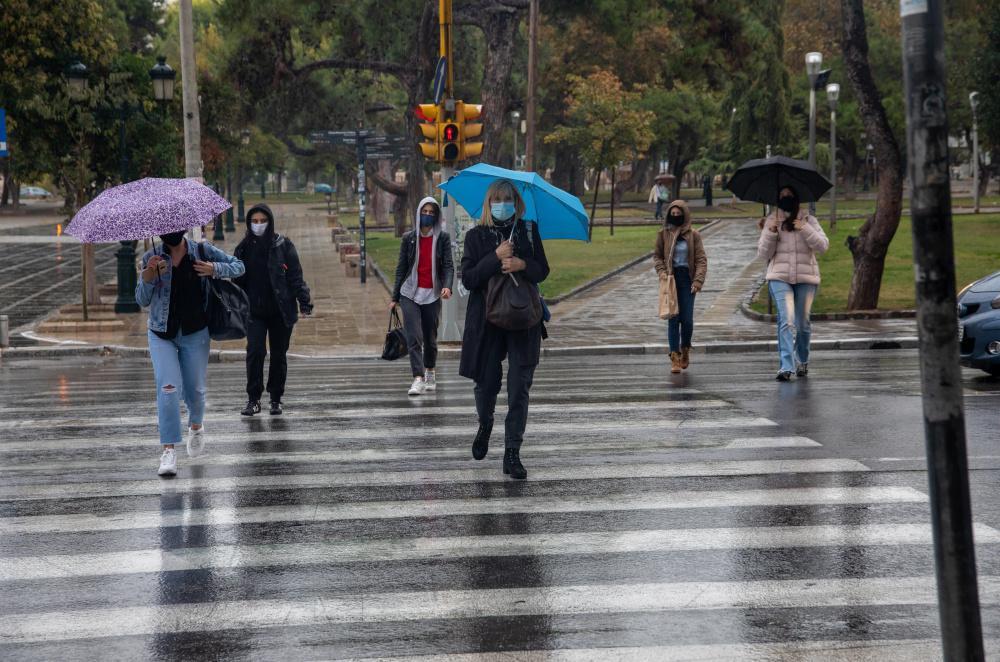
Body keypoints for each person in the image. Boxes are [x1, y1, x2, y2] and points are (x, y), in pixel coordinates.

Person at [459, 180, 549, 480]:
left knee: (519, 387)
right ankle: (485, 423)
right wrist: (495, 257)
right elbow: (469, 278)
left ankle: (512, 452)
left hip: (524, 320)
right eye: (497, 199)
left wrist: (522, 262)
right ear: (488, 203)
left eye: (508, 199)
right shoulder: (475, 236)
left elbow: (542, 271)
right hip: (487, 322)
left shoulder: (527, 231)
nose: (503, 204)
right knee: (486, 384)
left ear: (516, 202)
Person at [136, 230, 245, 476]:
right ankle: (168, 450)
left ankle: (196, 425)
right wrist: (149, 276)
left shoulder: (202, 251)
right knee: (168, 387)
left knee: (195, 389)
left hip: (196, 332)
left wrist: (213, 269)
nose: (169, 233)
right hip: (161, 333)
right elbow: (142, 300)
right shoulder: (151, 257)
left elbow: (239, 267)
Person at [234, 204, 313, 416]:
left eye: (262, 221)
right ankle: (253, 399)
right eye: (254, 221)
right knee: (255, 352)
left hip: (281, 311)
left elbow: (296, 277)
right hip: (254, 312)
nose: (258, 225)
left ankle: (276, 398)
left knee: (278, 355)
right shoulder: (243, 249)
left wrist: (304, 302)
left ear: (270, 222)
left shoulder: (284, 245)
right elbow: (236, 281)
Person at [757, 186, 830, 381]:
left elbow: (823, 246)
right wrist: (771, 233)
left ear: (796, 197)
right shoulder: (772, 221)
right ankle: (786, 366)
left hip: (806, 279)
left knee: (802, 324)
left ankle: (802, 361)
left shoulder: (809, 220)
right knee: (787, 320)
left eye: (789, 195)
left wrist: (804, 228)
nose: (785, 198)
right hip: (779, 278)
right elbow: (763, 254)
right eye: (781, 195)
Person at [390, 196, 454, 396]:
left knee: (430, 338)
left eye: (431, 212)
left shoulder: (442, 238)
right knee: (414, 336)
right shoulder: (409, 238)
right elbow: (401, 268)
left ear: (436, 216)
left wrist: (447, 286)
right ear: (418, 213)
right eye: (424, 212)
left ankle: (430, 371)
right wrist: (394, 297)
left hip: (432, 294)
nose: (427, 215)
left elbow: (448, 266)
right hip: (409, 293)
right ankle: (417, 378)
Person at [653, 200, 708, 374]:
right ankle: (674, 357)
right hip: (671, 279)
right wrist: (662, 272)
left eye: (679, 214)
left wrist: (698, 280)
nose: (676, 217)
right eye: (673, 214)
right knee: (673, 318)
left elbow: (701, 259)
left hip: (687, 279)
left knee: (687, 320)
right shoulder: (663, 234)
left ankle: (685, 348)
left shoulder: (694, 235)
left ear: (685, 215)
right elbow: (657, 257)